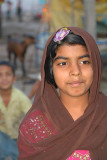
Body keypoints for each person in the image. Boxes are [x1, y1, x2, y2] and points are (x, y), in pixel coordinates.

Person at [17, 27, 107, 160]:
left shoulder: (103, 115)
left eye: (84, 62)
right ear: (50, 70)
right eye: (63, 63)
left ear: (96, 66)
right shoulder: (33, 127)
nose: (75, 71)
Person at [0, 60, 32, 160]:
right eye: (0, 75)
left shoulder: (21, 98)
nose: (4, 78)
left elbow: (32, 116)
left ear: (14, 78)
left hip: (16, 138)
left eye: (8, 74)